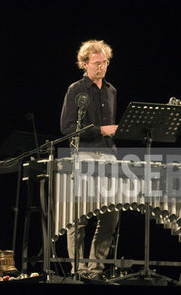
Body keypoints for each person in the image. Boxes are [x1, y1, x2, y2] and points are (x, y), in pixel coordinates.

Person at [60, 39, 120, 280]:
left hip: (109, 157)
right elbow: (67, 127)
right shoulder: (76, 89)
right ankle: (78, 269)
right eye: (97, 63)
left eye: (105, 63)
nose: (102, 67)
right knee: (80, 217)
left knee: (111, 214)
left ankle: (95, 267)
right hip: (83, 155)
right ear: (84, 64)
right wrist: (101, 130)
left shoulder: (111, 90)